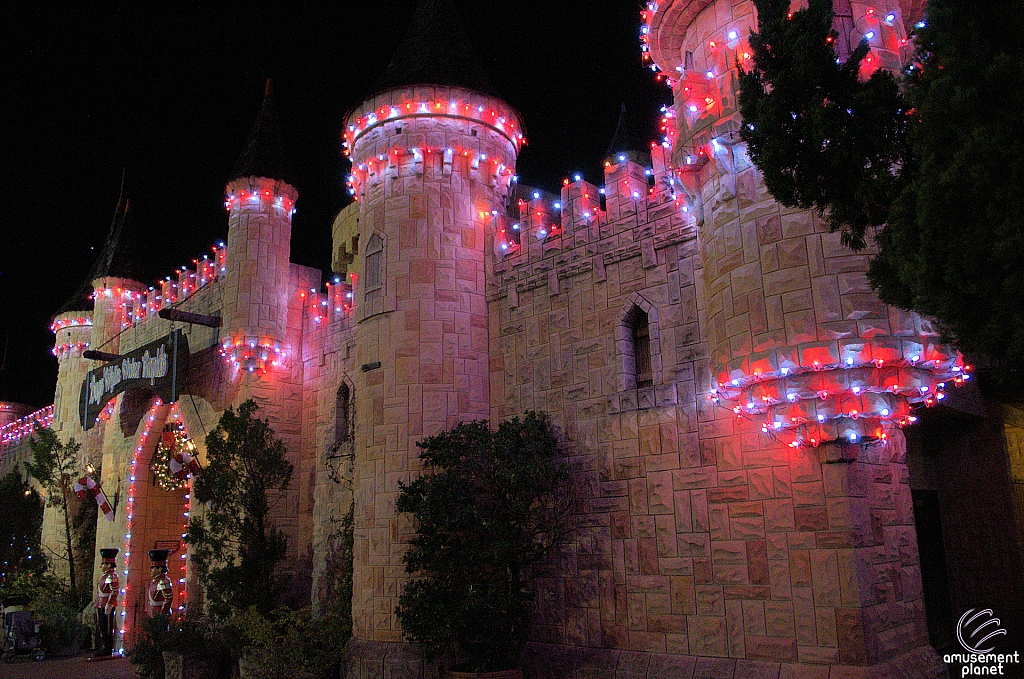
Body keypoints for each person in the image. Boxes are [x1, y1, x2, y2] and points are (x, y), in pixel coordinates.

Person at [94, 548, 119, 656]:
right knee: (103, 625)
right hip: (102, 603)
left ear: (109, 565)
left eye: (103, 564)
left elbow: (114, 591)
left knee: (108, 627)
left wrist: (109, 604)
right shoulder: (105, 576)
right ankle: (105, 644)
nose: (101, 566)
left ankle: (108, 647)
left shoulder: (111, 576)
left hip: (107, 604)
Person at [147, 549, 174, 617]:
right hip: (154, 611)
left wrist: (162, 613)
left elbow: (168, 598)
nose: (151, 570)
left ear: (160, 569)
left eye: (153, 568)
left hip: (159, 612)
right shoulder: (155, 580)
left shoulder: (163, 581)